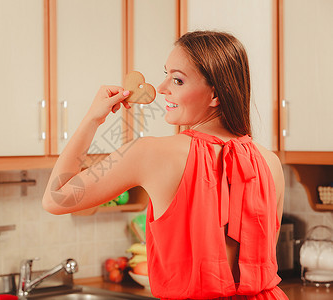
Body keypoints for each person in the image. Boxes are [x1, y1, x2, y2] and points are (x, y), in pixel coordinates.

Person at [42, 30, 287, 300]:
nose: (161, 88)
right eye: (166, 74)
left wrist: (92, 119)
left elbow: (56, 198)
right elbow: (263, 256)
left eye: (178, 80)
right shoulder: (270, 162)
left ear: (215, 95)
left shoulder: (151, 153)